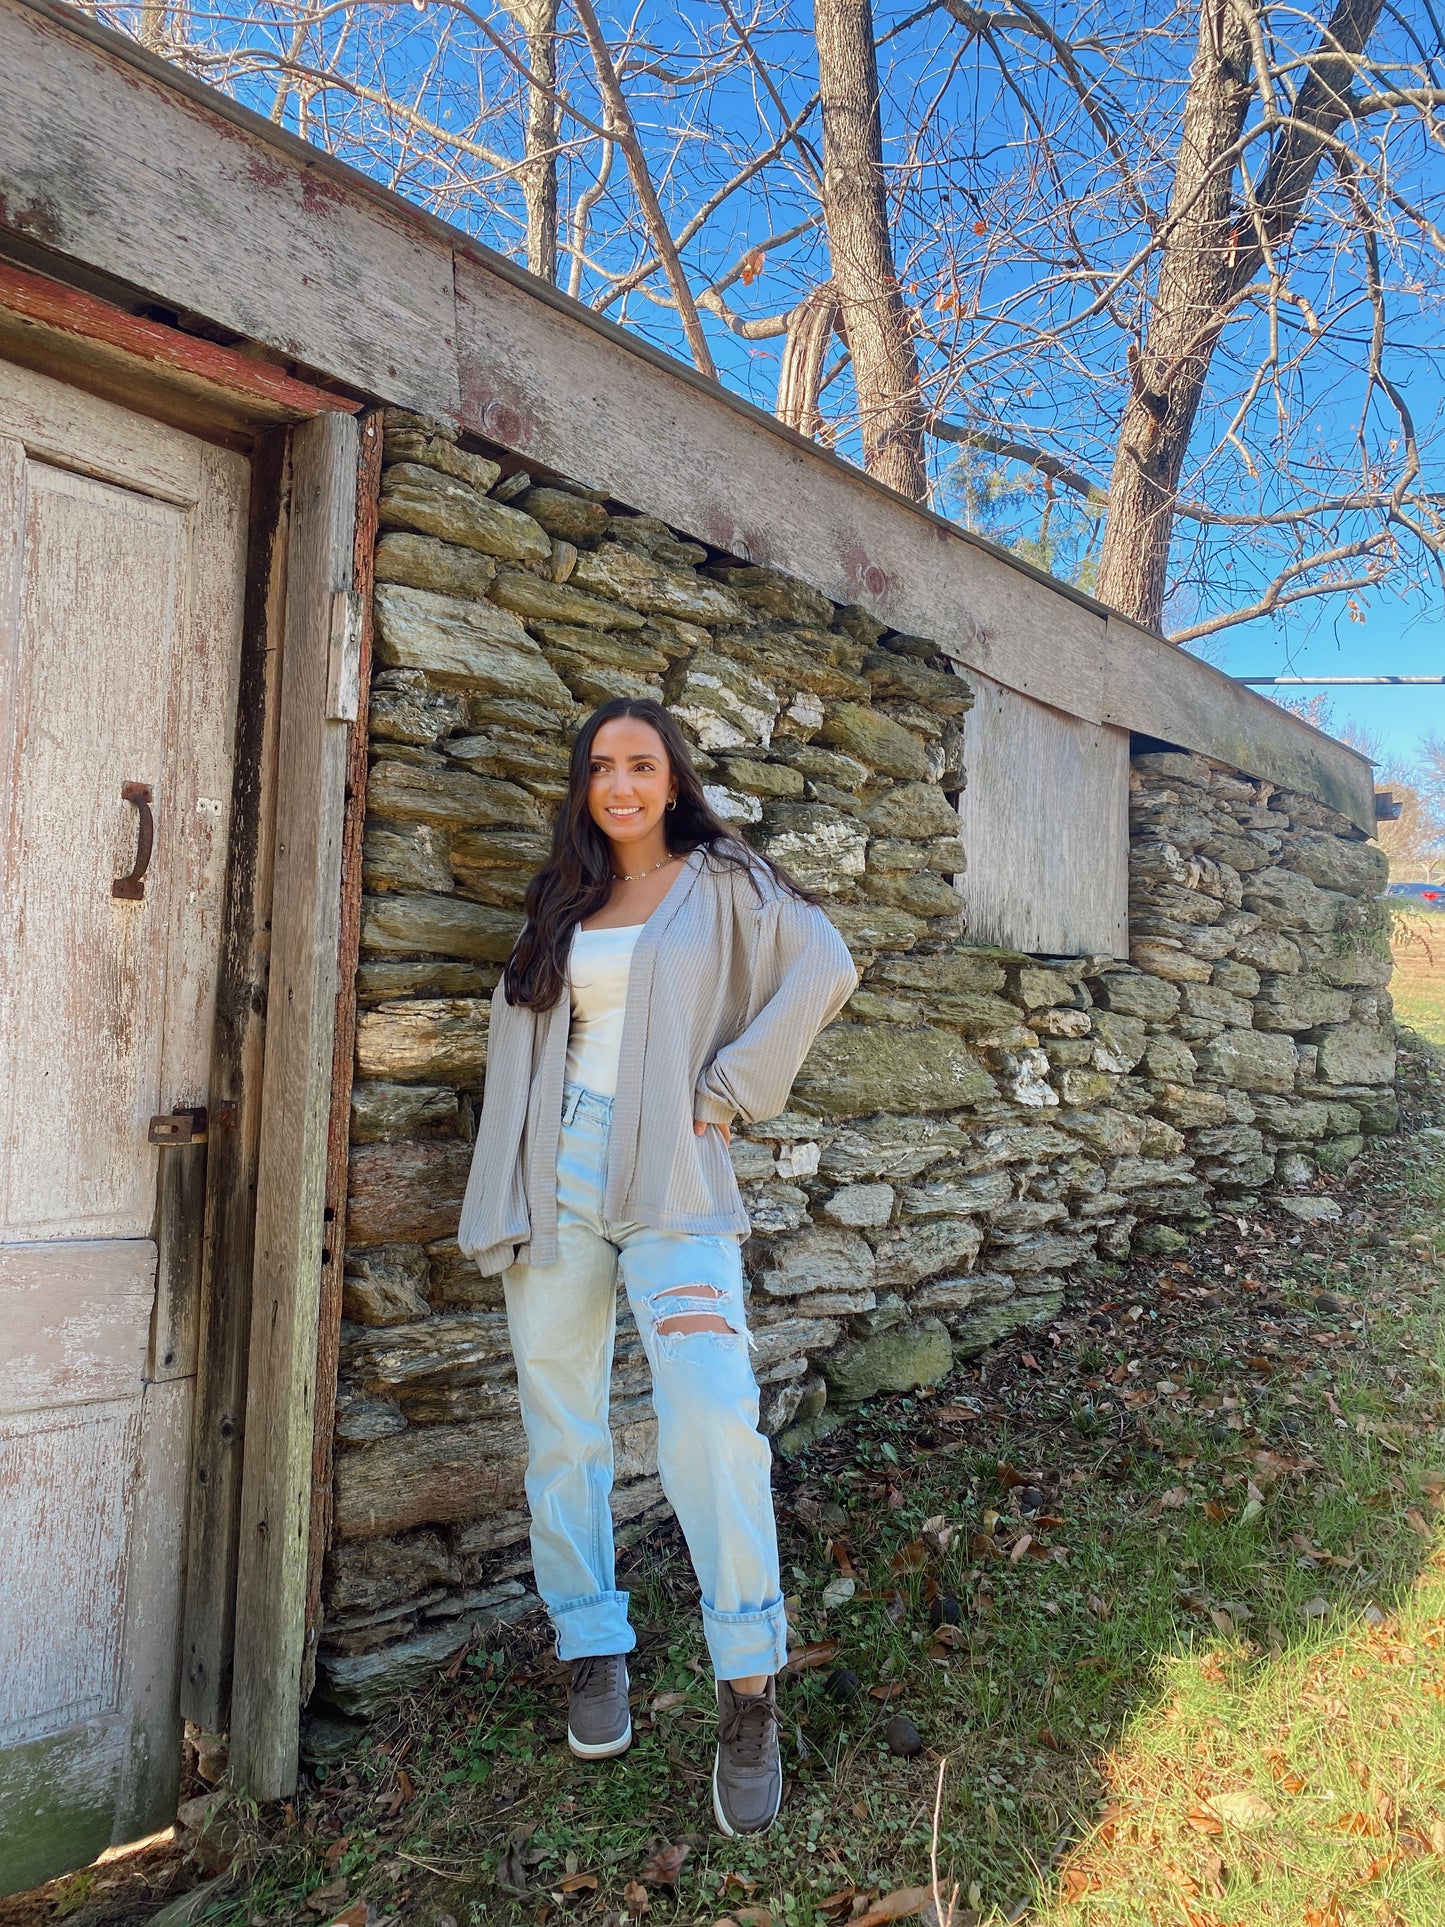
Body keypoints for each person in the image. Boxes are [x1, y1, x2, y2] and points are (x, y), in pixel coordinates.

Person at [459, 695, 857, 1837]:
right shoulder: (564, 896)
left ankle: (747, 1684)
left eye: (641, 765)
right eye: (600, 768)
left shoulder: (726, 876)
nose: (621, 785)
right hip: (556, 1169)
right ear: (582, 786)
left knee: (708, 1419)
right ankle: (590, 1644)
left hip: (672, 1174)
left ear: (673, 779)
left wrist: (727, 1091)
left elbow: (824, 966)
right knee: (562, 1420)